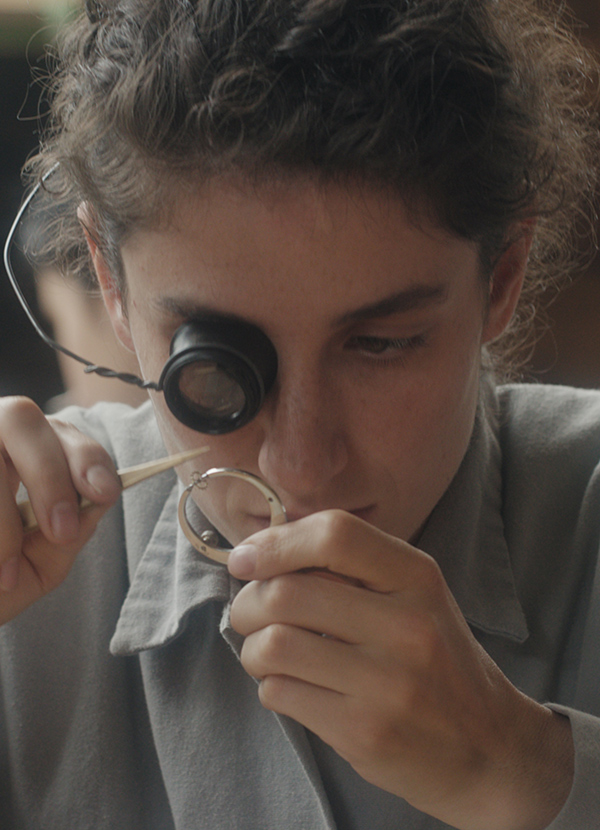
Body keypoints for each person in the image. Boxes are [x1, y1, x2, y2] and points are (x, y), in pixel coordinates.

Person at [0, 0, 599, 827]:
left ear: (502, 279)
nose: (299, 465)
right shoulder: (27, 574)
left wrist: (527, 771)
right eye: (218, 363)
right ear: (109, 279)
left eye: (381, 345)